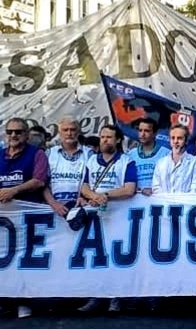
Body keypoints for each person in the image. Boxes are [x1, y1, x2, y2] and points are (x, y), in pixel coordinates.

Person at [0, 118, 48, 320]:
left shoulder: (37, 154)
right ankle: (1, 301)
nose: (13, 136)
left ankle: (24, 301)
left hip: (27, 216)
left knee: (24, 260)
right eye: (9, 132)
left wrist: (14, 190)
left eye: (18, 132)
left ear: (26, 135)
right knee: (2, 259)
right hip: (2, 218)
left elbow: (39, 180)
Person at [77, 124, 138, 314]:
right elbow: (84, 186)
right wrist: (94, 196)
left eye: (109, 137)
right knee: (95, 257)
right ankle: (95, 295)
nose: (104, 140)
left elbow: (129, 189)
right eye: (102, 136)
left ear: (118, 140)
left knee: (115, 255)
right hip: (96, 215)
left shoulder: (126, 161)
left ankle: (115, 297)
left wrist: (106, 194)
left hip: (118, 215)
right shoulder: (91, 161)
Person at [43, 116, 90, 218]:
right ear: (59, 133)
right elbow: (42, 183)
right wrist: (54, 204)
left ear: (78, 132)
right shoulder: (49, 153)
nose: (69, 133)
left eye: (72, 130)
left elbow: (93, 182)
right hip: (53, 210)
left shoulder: (89, 154)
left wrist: (86, 198)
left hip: (81, 209)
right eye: (65, 130)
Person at [152, 125, 196, 194]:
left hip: (186, 203)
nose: (175, 141)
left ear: (186, 141)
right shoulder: (160, 163)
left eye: (179, 138)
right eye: (173, 138)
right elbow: (156, 187)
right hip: (164, 203)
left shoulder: (195, 162)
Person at [128, 117, 169, 196]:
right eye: (140, 130)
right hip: (135, 200)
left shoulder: (166, 154)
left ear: (155, 133)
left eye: (146, 131)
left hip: (159, 200)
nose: (142, 134)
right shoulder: (130, 155)